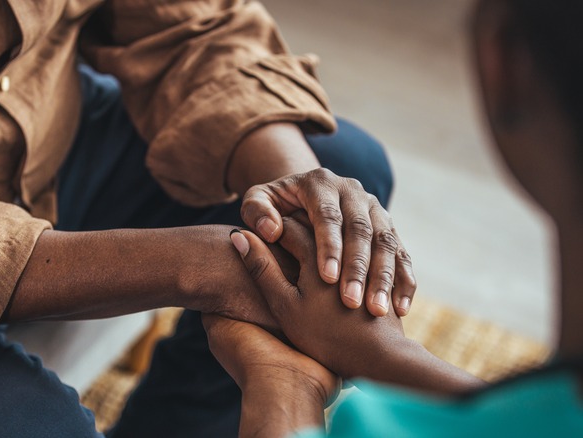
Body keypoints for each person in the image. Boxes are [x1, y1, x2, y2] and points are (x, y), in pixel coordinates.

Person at [0, 1, 413, 437]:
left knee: (337, 177)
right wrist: (200, 266)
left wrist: (301, 202)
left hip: (49, 147)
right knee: (36, 425)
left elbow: (191, 27)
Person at [204, 0, 583, 436]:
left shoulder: (375, 428)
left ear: (505, 63)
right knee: (344, 166)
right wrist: (387, 357)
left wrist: (281, 383)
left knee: (347, 164)